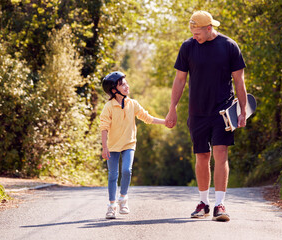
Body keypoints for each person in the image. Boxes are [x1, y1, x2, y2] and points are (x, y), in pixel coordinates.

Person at [165, 10, 247, 222]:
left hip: (223, 111)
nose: (194, 35)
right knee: (202, 155)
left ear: (209, 28)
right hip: (197, 112)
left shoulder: (229, 46)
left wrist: (243, 111)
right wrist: (172, 107)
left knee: (220, 154)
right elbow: (180, 80)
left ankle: (220, 204)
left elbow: (239, 81)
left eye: (197, 31)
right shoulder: (188, 47)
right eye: (191, 31)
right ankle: (203, 203)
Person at [100, 71, 165, 219]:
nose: (126, 86)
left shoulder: (132, 104)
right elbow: (104, 128)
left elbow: (147, 118)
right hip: (112, 146)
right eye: (122, 84)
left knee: (127, 170)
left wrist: (164, 122)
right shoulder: (108, 107)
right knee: (112, 176)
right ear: (113, 90)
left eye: (126, 83)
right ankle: (111, 206)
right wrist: (104, 147)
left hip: (129, 143)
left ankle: (123, 199)